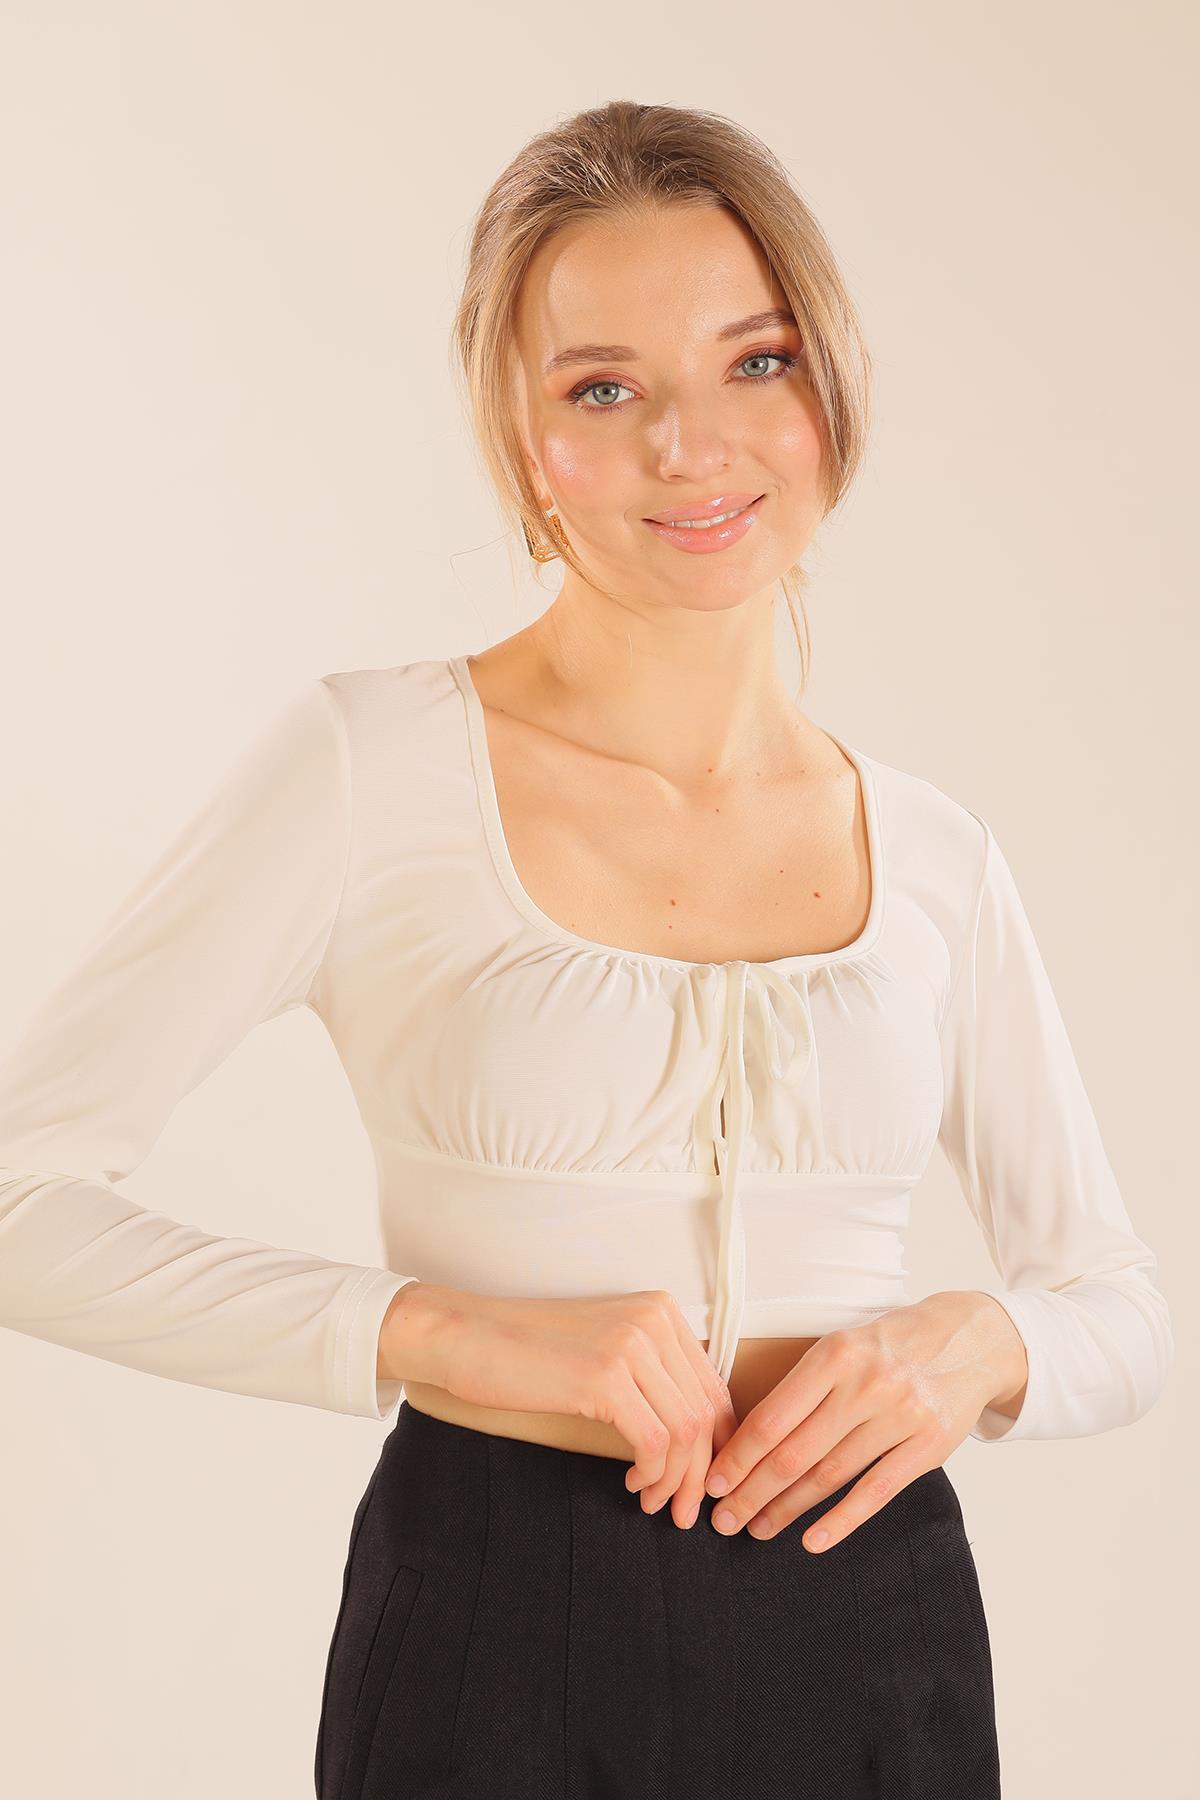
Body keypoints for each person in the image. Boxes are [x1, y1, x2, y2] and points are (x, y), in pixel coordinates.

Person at [0, 100, 1172, 1800]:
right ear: (519, 437)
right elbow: (20, 1199)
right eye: (604, 389)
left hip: (880, 1632)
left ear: (832, 388)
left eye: (757, 362)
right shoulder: (369, 768)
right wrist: (438, 1333)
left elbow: (1117, 1304)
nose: (695, 447)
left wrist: (978, 1347)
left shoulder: (932, 853)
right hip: (496, 1616)